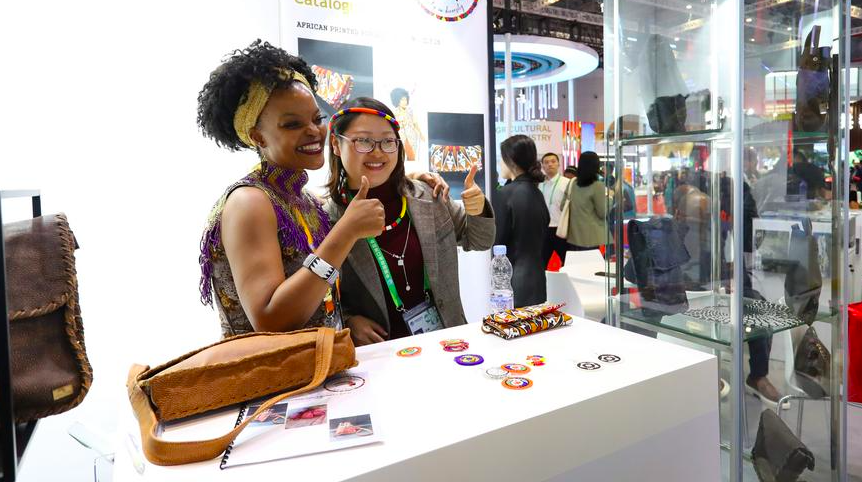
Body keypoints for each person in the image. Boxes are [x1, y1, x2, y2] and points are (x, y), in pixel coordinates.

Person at [197, 41, 447, 338]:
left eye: (317, 119)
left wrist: (407, 179)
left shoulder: (305, 201)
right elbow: (269, 320)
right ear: (257, 137)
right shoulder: (249, 202)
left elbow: (316, 296)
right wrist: (346, 232)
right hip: (278, 382)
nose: (314, 131)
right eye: (292, 124)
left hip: (319, 372)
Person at [323, 97, 495, 346]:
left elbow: (479, 241)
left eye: (387, 141)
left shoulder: (429, 194)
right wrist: (348, 320)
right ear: (336, 145)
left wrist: (477, 209)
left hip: (446, 343)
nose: (378, 151)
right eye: (363, 140)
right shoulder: (327, 217)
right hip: (380, 357)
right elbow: (321, 296)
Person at [493, 135, 550, 307]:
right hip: (538, 279)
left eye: (501, 159)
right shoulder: (537, 193)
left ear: (510, 160)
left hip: (511, 282)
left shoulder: (505, 194)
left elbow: (497, 241)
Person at [562, 151, 608, 251]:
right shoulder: (597, 185)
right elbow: (602, 212)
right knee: (589, 264)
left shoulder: (572, 183)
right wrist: (610, 198)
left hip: (573, 234)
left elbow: (563, 206)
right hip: (590, 234)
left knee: (575, 263)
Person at [539, 152, 571, 267]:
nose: (550, 165)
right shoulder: (540, 184)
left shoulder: (567, 183)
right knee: (541, 263)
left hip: (561, 229)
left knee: (567, 263)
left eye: (553, 161)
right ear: (542, 166)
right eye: (546, 162)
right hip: (543, 229)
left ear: (558, 164)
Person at [390, 88, 425, 162]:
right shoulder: (394, 112)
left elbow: (415, 123)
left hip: (412, 135)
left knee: (412, 155)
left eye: (405, 100)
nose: (404, 102)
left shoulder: (410, 111)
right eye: (402, 100)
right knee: (401, 155)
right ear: (397, 100)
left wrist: (421, 134)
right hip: (401, 136)